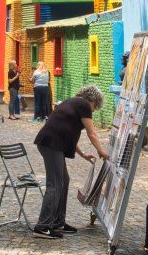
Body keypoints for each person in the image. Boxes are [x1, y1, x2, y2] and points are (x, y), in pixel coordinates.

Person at [32, 85, 110, 239]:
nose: (93, 110)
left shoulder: (73, 103)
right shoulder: (83, 105)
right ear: (91, 100)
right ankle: (42, 226)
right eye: (95, 107)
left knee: (64, 181)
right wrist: (101, 151)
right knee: (55, 184)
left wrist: (82, 154)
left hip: (52, 143)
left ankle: (58, 222)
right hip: (51, 144)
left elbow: (67, 131)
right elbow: (91, 133)